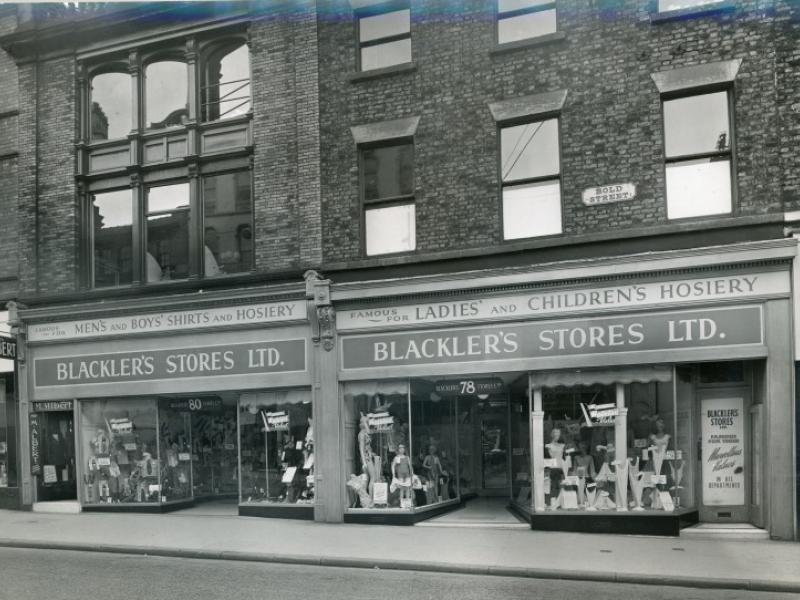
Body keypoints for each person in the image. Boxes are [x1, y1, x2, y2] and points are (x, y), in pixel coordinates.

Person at [390, 443, 414, 508]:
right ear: (398, 449)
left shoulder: (407, 457)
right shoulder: (396, 457)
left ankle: (408, 503)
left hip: (407, 474)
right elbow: (393, 466)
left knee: (407, 488)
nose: (401, 449)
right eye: (400, 448)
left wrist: (412, 473)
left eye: (402, 448)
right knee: (402, 488)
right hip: (400, 474)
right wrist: (393, 474)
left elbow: (410, 466)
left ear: (404, 449)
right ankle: (401, 504)